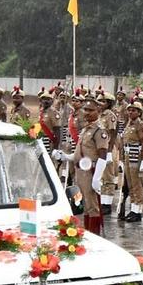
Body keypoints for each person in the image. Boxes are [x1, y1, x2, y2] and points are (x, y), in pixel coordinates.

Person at [57, 95, 108, 235]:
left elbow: (103, 155)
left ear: (98, 111)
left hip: (91, 172)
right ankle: (88, 234)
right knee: (85, 204)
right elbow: (79, 152)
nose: (86, 112)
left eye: (90, 110)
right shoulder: (86, 130)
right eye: (85, 109)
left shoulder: (99, 131)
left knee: (92, 206)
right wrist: (65, 156)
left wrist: (97, 178)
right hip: (80, 171)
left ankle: (95, 235)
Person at [118, 102, 143, 222]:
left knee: (137, 184)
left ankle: (138, 211)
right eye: (129, 110)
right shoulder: (128, 123)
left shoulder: (140, 125)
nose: (131, 112)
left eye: (134, 110)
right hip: (127, 155)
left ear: (139, 112)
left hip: (135, 155)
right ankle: (133, 208)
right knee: (130, 183)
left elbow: (142, 143)